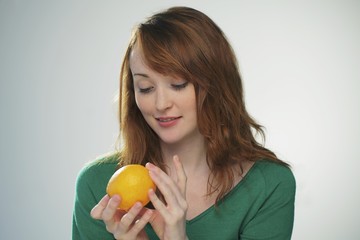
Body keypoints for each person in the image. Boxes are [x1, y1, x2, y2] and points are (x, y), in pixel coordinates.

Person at [72, 6, 296, 240]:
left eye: (178, 84)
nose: (160, 104)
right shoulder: (98, 185)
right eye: (145, 88)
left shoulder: (269, 184)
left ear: (216, 85)